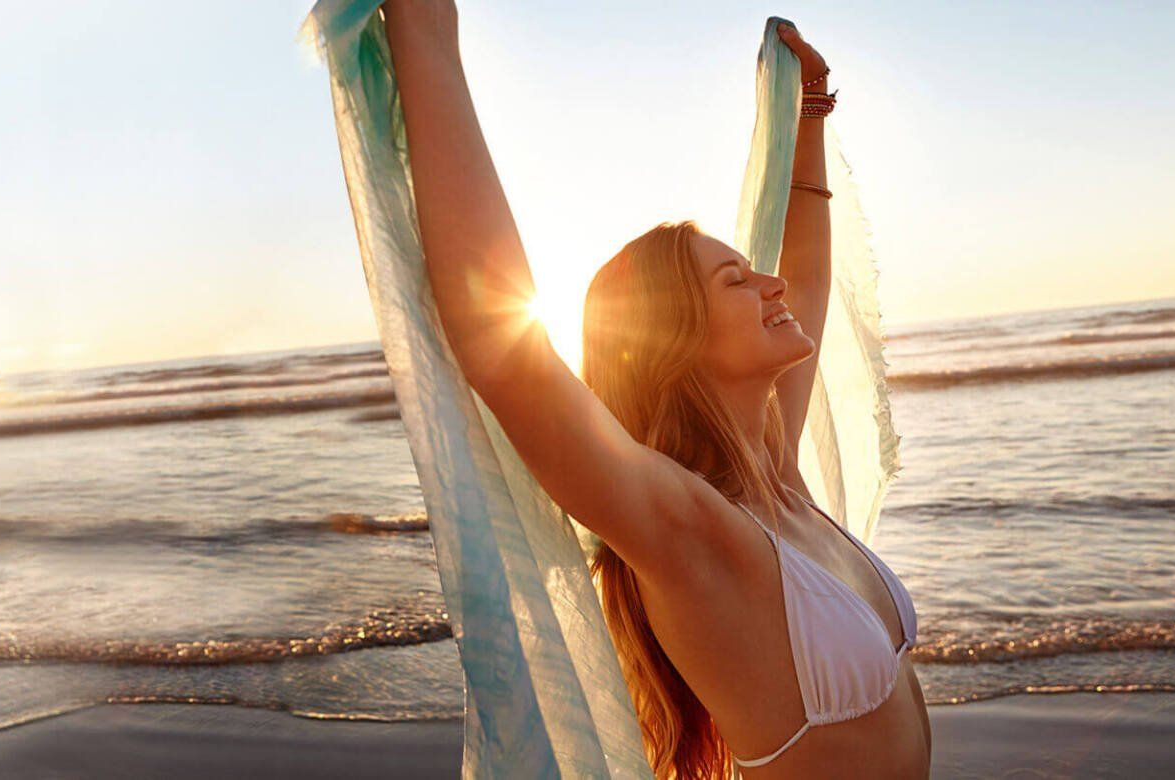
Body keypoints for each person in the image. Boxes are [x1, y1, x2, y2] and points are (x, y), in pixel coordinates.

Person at [378, 2, 931, 777]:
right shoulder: (690, 528)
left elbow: (804, 279)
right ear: (677, 340)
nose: (772, 285)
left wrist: (809, 113)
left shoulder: (777, 482)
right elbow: (505, 356)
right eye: (737, 279)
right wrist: (427, 32)